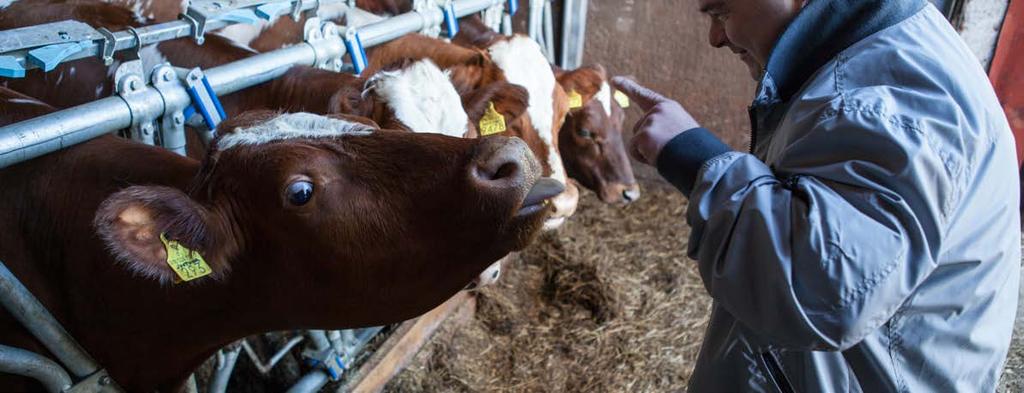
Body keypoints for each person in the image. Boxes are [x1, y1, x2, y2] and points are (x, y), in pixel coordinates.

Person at [612, 0, 1021, 391]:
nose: (716, 38)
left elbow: (825, 292)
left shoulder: (885, 104)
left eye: (721, 11)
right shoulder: (872, 55)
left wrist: (696, 159)